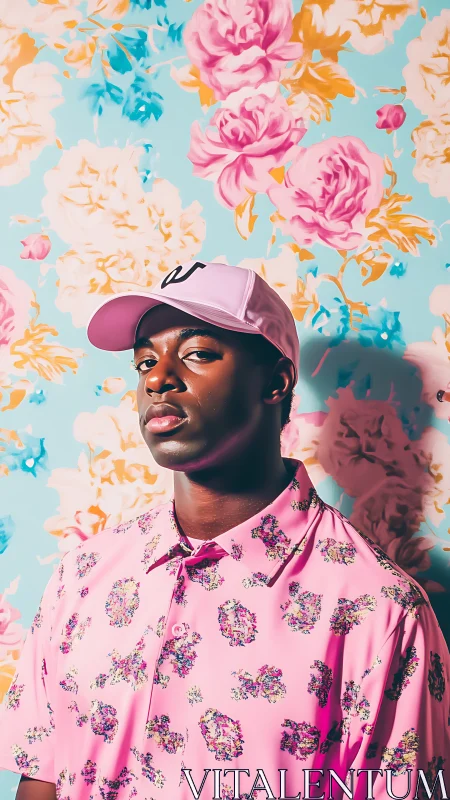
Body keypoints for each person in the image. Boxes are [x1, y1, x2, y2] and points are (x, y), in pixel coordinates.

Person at [0, 260, 449, 800]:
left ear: (276, 382)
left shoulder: (381, 613)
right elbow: (42, 778)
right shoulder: (84, 577)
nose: (159, 378)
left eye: (196, 354)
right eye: (145, 361)